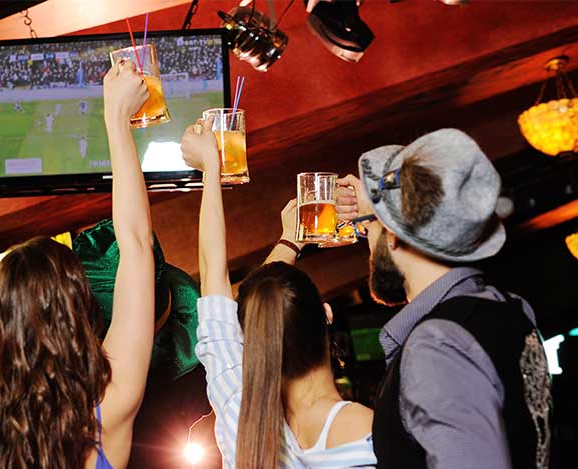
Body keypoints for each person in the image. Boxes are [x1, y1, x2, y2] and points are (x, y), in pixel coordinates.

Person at [0, 59, 155, 469]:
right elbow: (137, 245)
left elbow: (12, 309)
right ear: (79, 305)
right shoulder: (110, 403)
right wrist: (116, 118)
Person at [335, 128, 553, 469]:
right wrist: (378, 206)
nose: (367, 241)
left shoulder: (437, 345)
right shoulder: (507, 307)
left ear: (392, 235)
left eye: (368, 228)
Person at [180, 118, 376, 469]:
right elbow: (217, 281)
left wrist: (211, 167)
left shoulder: (241, 413)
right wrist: (374, 220)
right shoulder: (367, 431)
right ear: (327, 314)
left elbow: (213, 276)